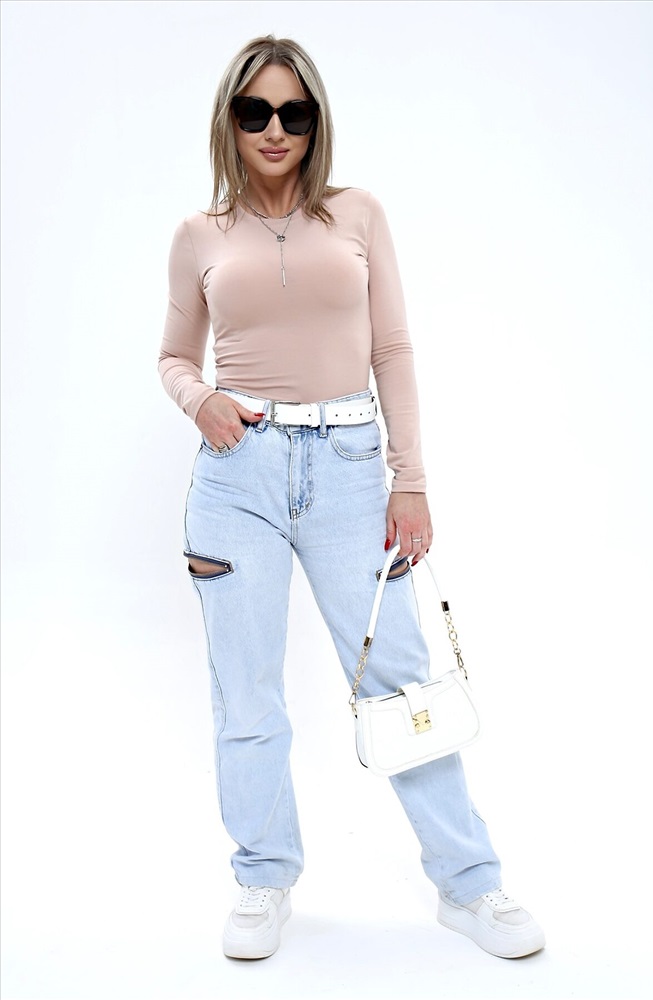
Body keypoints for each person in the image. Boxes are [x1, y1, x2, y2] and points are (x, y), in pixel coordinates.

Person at [158, 34, 545, 962]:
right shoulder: (200, 233)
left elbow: (392, 350)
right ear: (230, 122)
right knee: (246, 693)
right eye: (255, 111)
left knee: (399, 682)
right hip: (238, 476)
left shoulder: (358, 214)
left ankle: (469, 884)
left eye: (294, 111)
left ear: (316, 120)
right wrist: (200, 398)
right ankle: (263, 877)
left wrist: (410, 479)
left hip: (348, 467)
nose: (275, 128)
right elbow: (172, 356)